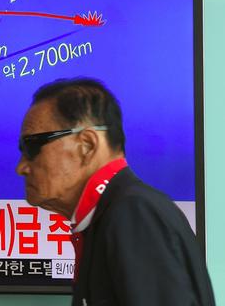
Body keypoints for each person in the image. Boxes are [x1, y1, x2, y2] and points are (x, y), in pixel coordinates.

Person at [15, 77, 215, 306]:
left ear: (87, 145)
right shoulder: (111, 215)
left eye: (32, 147)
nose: (21, 167)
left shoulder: (133, 214)